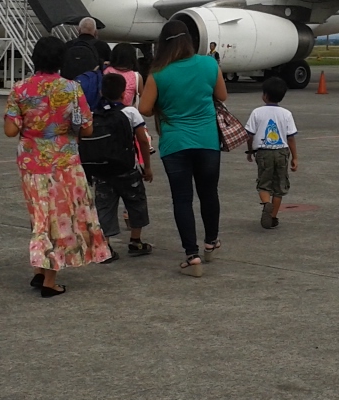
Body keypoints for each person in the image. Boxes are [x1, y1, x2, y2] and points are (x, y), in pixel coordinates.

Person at [4, 36, 111, 296]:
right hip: (65, 163)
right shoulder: (73, 89)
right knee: (60, 218)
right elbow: (87, 128)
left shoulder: (20, 89)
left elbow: (9, 130)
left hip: (32, 162)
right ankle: (50, 279)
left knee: (39, 217)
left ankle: (40, 271)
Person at [138, 19, 227, 275]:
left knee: (182, 199)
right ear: (189, 40)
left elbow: (144, 108)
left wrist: (165, 104)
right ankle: (211, 242)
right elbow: (221, 95)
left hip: (175, 143)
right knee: (209, 193)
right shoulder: (209, 64)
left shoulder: (159, 73)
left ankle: (192, 256)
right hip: (207, 141)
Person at [89, 72, 154, 257]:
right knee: (136, 202)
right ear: (124, 93)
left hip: (102, 170)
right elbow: (142, 139)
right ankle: (135, 241)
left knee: (105, 206)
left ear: (101, 91)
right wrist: (147, 166)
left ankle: (105, 246)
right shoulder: (130, 112)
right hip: (127, 168)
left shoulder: (94, 113)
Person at [244, 76, 299, 229]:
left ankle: (266, 204)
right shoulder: (286, 114)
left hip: (263, 152)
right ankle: (273, 216)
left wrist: (250, 151)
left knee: (263, 183)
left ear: (265, 95)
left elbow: (249, 135)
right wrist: (295, 158)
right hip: (281, 152)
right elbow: (291, 138)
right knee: (279, 186)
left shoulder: (257, 112)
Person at [107, 42, 142, 108]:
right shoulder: (136, 76)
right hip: (127, 114)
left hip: (107, 112)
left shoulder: (106, 71)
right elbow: (141, 95)